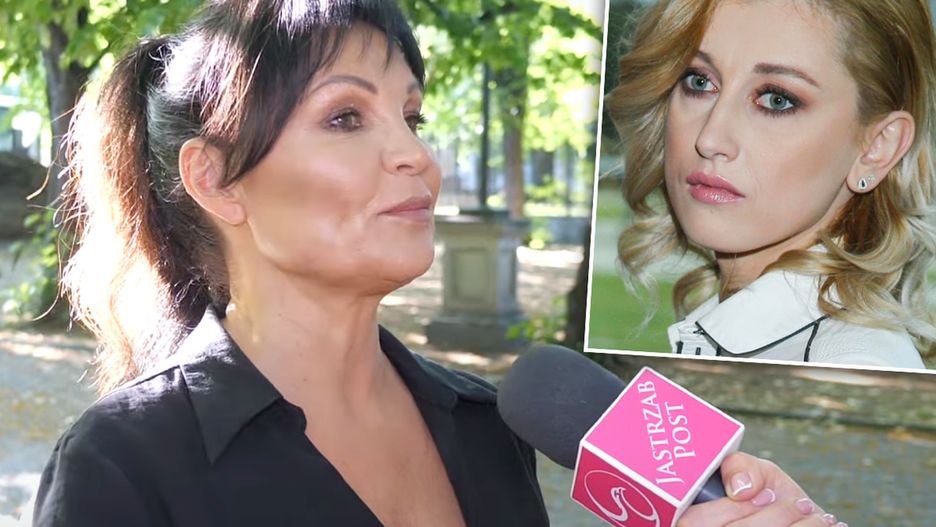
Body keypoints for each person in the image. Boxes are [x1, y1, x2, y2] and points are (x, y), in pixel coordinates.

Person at [31, 1, 842, 526]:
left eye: (411, 116)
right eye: (346, 117)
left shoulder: (490, 424)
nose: (417, 156)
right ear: (215, 180)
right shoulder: (125, 465)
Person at [608, 0, 936, 369]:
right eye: (699, 81)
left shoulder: (853, 363)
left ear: (877, 147)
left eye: (777, 100)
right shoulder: (757, 333)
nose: (710, 138)